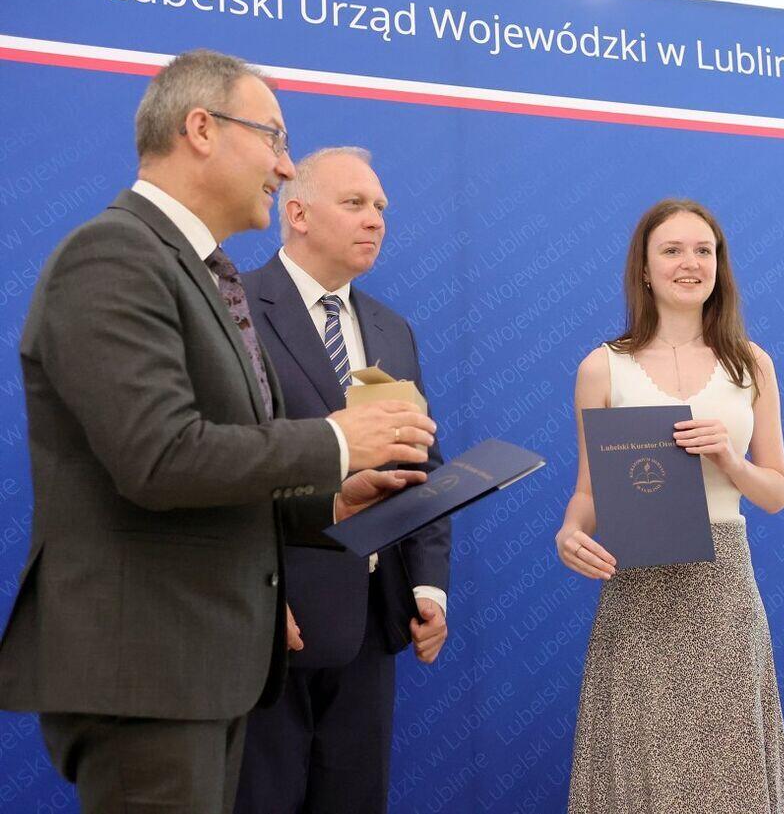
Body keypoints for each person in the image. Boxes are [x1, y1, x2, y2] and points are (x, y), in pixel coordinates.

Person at [0, 50, 435, 813]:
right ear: (201, 128)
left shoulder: (201, 273)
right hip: (150, 672)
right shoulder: (113, 256)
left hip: (205, 671)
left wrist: (330, 500)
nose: (284, 164)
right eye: (273, 137)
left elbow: (217, 469)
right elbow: (161, 457)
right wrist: (338, 442)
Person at [558, 198, 784, 813]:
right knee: (640, 770)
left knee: (730, 776)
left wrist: (730, 461)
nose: (690, 263)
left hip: (724, 594)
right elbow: (588, 493)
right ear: (644, 269)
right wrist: (570, 532)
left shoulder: (751, 364)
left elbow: (776, 492)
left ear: (720, 265)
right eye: (672, 250)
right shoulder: (601, 368)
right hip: (638, 593)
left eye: (703, 251)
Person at [235, 146, 450, 814]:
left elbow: (422, 465)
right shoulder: (233, 309)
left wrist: (428, 587)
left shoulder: (392, 328)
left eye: (380, 206)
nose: (375, 219)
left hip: (373, 625)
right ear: (297, 213)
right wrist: (255, 593)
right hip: (274, 628)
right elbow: (224, 464)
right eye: (355, 203)